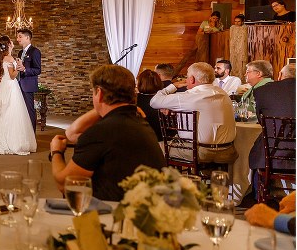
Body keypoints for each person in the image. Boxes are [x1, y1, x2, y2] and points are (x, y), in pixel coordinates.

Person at [50, 65, 165, 201]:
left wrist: (56, 152)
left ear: (99, 93)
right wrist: (114, 102)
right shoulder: (138, 121)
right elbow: (72, 133)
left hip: (111, 213)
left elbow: (66, 185)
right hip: (143, 209)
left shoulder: (101, 132)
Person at [150, 62, 237, 167]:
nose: (186, 80)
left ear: (192, 79)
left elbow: (154, 102)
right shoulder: (224, 94)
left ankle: (169, 181)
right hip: (228, 151)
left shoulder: (186, 96)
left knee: (152, 148)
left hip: (198, 152)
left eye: (187, 77)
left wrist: (173, 86)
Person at [248, 63, 296, 195]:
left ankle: (260, 197)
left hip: (273, 154)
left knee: (259, 147)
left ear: (280, 75)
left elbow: (261, 121)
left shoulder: (263, 91)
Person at [15, 28, 42, 131]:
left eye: (20, 36)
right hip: (18, 85)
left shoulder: (35, 51)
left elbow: (38, 70)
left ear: (27, 37)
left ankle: (31, 135)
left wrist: (25, 69)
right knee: (20, 111)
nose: (17, 39)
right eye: (17, 37)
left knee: (29, 110)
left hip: (28, 86)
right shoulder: (20, 52)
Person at [135, 69, 164, 140]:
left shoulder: (133, 99)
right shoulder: (164, 98)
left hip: (141, 137)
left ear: (139, 83)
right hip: (163, 137)